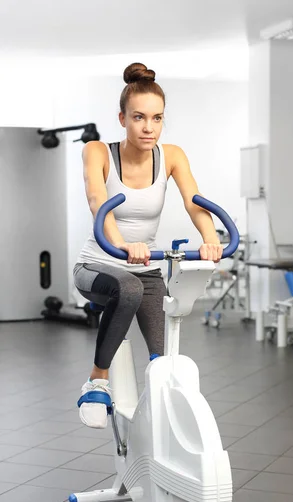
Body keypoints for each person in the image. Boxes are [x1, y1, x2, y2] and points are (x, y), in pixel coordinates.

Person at [73, 62, 223, 429]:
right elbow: (97, 199)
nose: (148, 127)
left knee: (164, 359)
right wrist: (122, 244)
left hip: (147, 270)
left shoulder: (171, 155)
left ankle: (160, 420)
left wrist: (211, 237)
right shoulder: (97, 151)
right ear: (122, 118)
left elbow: (194, 201)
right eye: (139, 117)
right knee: (128, 287)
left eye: (157, 118)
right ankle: (97, 380)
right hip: (98, 267)